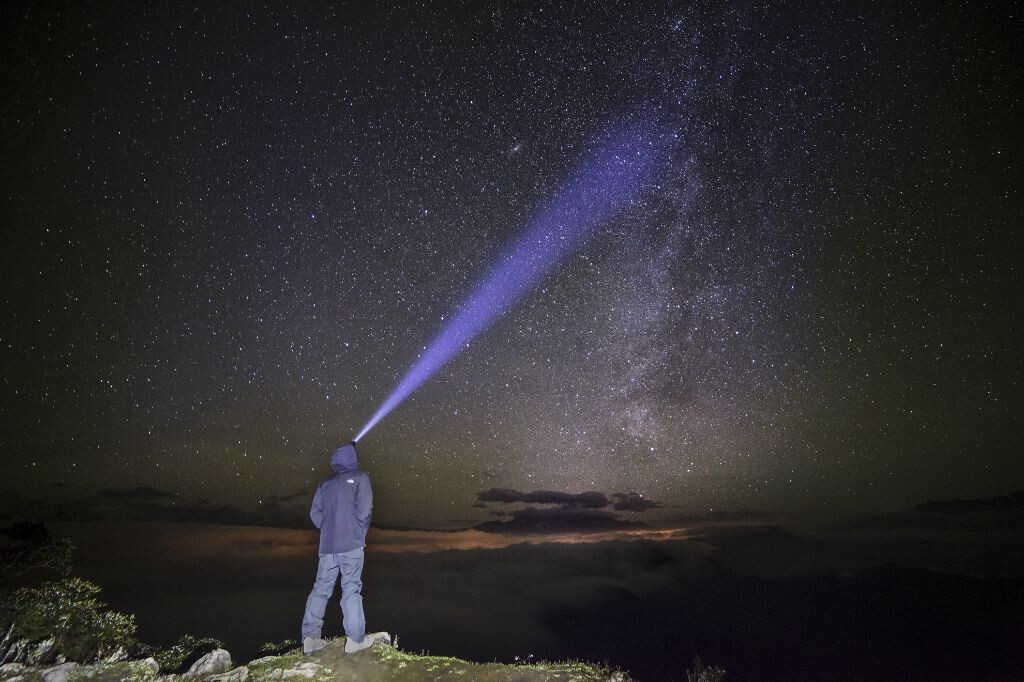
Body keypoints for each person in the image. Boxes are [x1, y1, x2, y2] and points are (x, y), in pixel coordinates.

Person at [301, 441, 374, 655]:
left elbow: (315, 514)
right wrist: (358, 532)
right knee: (351, 587)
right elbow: (365, 510)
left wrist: (328, 530)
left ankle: (310, 638)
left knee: (320, 589)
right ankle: (355, 640)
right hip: (351, 544)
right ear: (353, 457)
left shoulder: (325, 483)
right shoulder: (361, 477)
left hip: (327, 546)